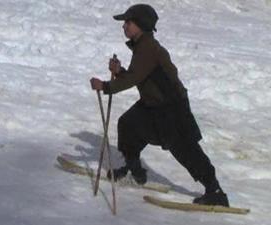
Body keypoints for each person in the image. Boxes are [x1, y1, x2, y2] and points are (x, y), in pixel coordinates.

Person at [90, 4, 229, 206]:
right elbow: (139, 76)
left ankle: (215, 191)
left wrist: (105, 85)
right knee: (128, 124)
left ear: (141, 24)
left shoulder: (148, 48)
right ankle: (134, 170)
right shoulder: (142, 46)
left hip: (172, 108)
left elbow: (135, 78)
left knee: (185, 150)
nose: (124, 27)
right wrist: (120, 72)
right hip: (152, 105)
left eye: (128, 22)